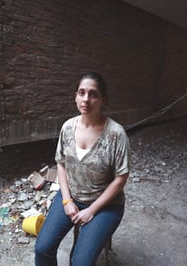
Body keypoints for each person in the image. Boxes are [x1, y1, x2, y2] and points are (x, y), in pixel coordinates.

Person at [35, 72, 131, 266]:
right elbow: (61, 164)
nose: (86, 99)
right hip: (72, 196)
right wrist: (67, 200)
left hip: (105, 205)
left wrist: (92, 210)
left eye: (93, 94)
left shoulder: (116, 134)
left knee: (80, 262)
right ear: (75, 96)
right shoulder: (67, 128)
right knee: (42, 248)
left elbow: (121, 177)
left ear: (103, 100)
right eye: (82, 92)